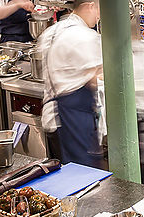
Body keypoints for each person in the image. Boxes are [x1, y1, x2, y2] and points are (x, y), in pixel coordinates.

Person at [38, 0, 103, 168]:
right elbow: (96, 78)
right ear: (90, 5)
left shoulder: (53, 30)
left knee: (64, 173)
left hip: (54, 118)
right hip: (73, 120)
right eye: (99, 10)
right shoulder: (84, 37)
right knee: (82, 177)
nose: (99, 16)